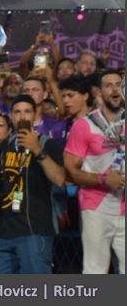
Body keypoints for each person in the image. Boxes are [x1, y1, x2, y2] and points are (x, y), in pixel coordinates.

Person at [0, 94, 66, 274]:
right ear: (11, 116)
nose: (22, 117)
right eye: (17, 112)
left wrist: (37, 150)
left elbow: (59, 179)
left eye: (27, 112)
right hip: (4, 232)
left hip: (34, 231)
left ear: (34, 115)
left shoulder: (48, 144)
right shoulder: (5, 146)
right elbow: (1, 183)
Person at [63, 70, 125, 274]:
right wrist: (103, 178)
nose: (115, 89)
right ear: (98, 92)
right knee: (95, 271)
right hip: (96, 206)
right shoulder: (84, 125)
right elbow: (70, 171)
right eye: (109, 85)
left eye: (119, 84)